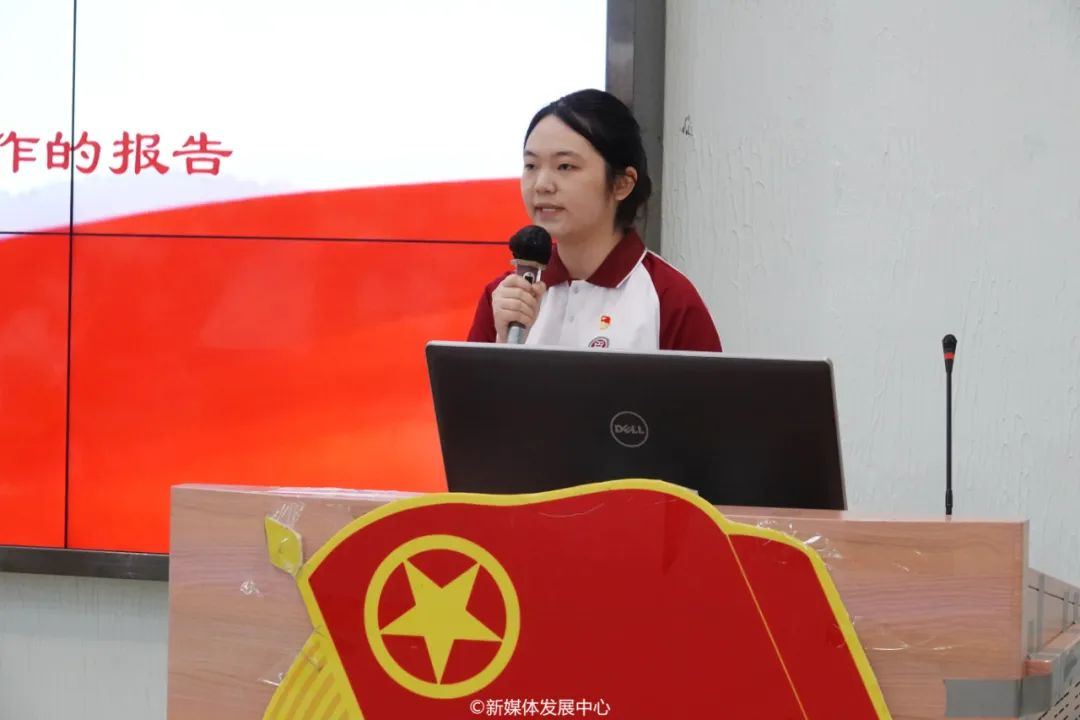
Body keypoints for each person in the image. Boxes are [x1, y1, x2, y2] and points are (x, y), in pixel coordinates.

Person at [467, 89, 721, 352]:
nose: (541, 185)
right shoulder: (504, 298)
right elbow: (466, 381)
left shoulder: (670, 298)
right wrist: (504, 341)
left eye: (565, 166)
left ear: (622, 184)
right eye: (531, 165)